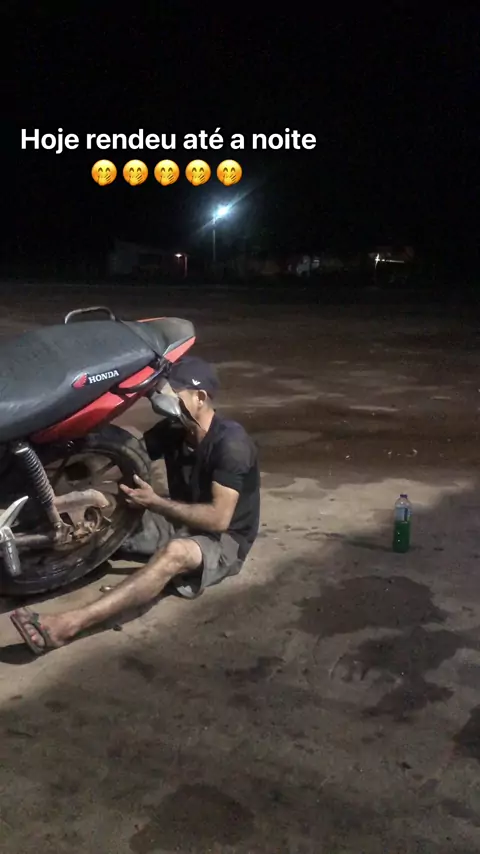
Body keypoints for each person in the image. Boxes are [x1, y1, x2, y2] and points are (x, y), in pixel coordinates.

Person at [10, 356, 260, 654]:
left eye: (172, 393)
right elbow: (126, 453)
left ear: (200, 397)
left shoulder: (231, 444)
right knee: (105, 517)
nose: (162, 401)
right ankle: (24, 564)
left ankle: (67, 625)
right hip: (181, 518)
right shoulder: (174, 430)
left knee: (175, 553)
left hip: (225, 540)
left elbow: (219, 519)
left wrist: (155, 502)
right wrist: (75, 479)